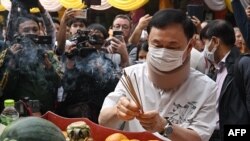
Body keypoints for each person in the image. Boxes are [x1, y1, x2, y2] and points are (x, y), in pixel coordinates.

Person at [99, 9, 217, 141]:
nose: (163, 52)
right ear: (148, 41)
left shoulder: (207, 88)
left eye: (172, 47)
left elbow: (199, 138)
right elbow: (103, 121)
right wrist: (118, 111)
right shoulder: (132, 75)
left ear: (190, 46)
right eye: (157, 44)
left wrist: (165, 127)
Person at [201, 20, 250, 141]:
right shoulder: (216, 69)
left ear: (215, 41)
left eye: (205, 43)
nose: (204, 49)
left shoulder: (243, 64)